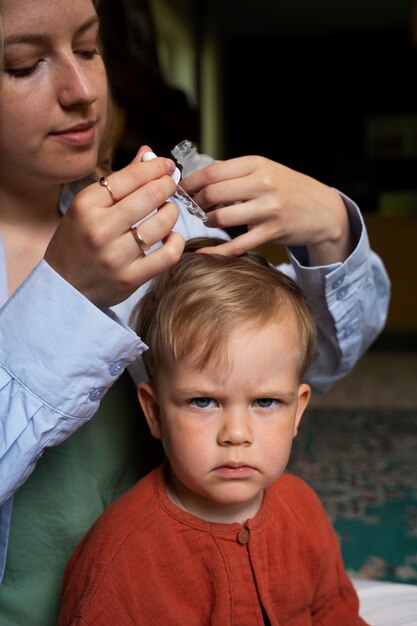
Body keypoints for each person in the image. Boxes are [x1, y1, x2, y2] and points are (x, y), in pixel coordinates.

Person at [0, 0, 389, 623]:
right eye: (23, 65)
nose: (79, 91)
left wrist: (329, 227)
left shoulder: (161, 221)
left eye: (90, 49)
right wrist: (63, 299)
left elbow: (305, 363)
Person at [59, 238, 369, 625]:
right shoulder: (120, 556)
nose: (236, 434)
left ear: (297, 411)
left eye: (266, 402)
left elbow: (335, 613)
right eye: (203, 401)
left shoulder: (303, 508)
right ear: (154, 412)